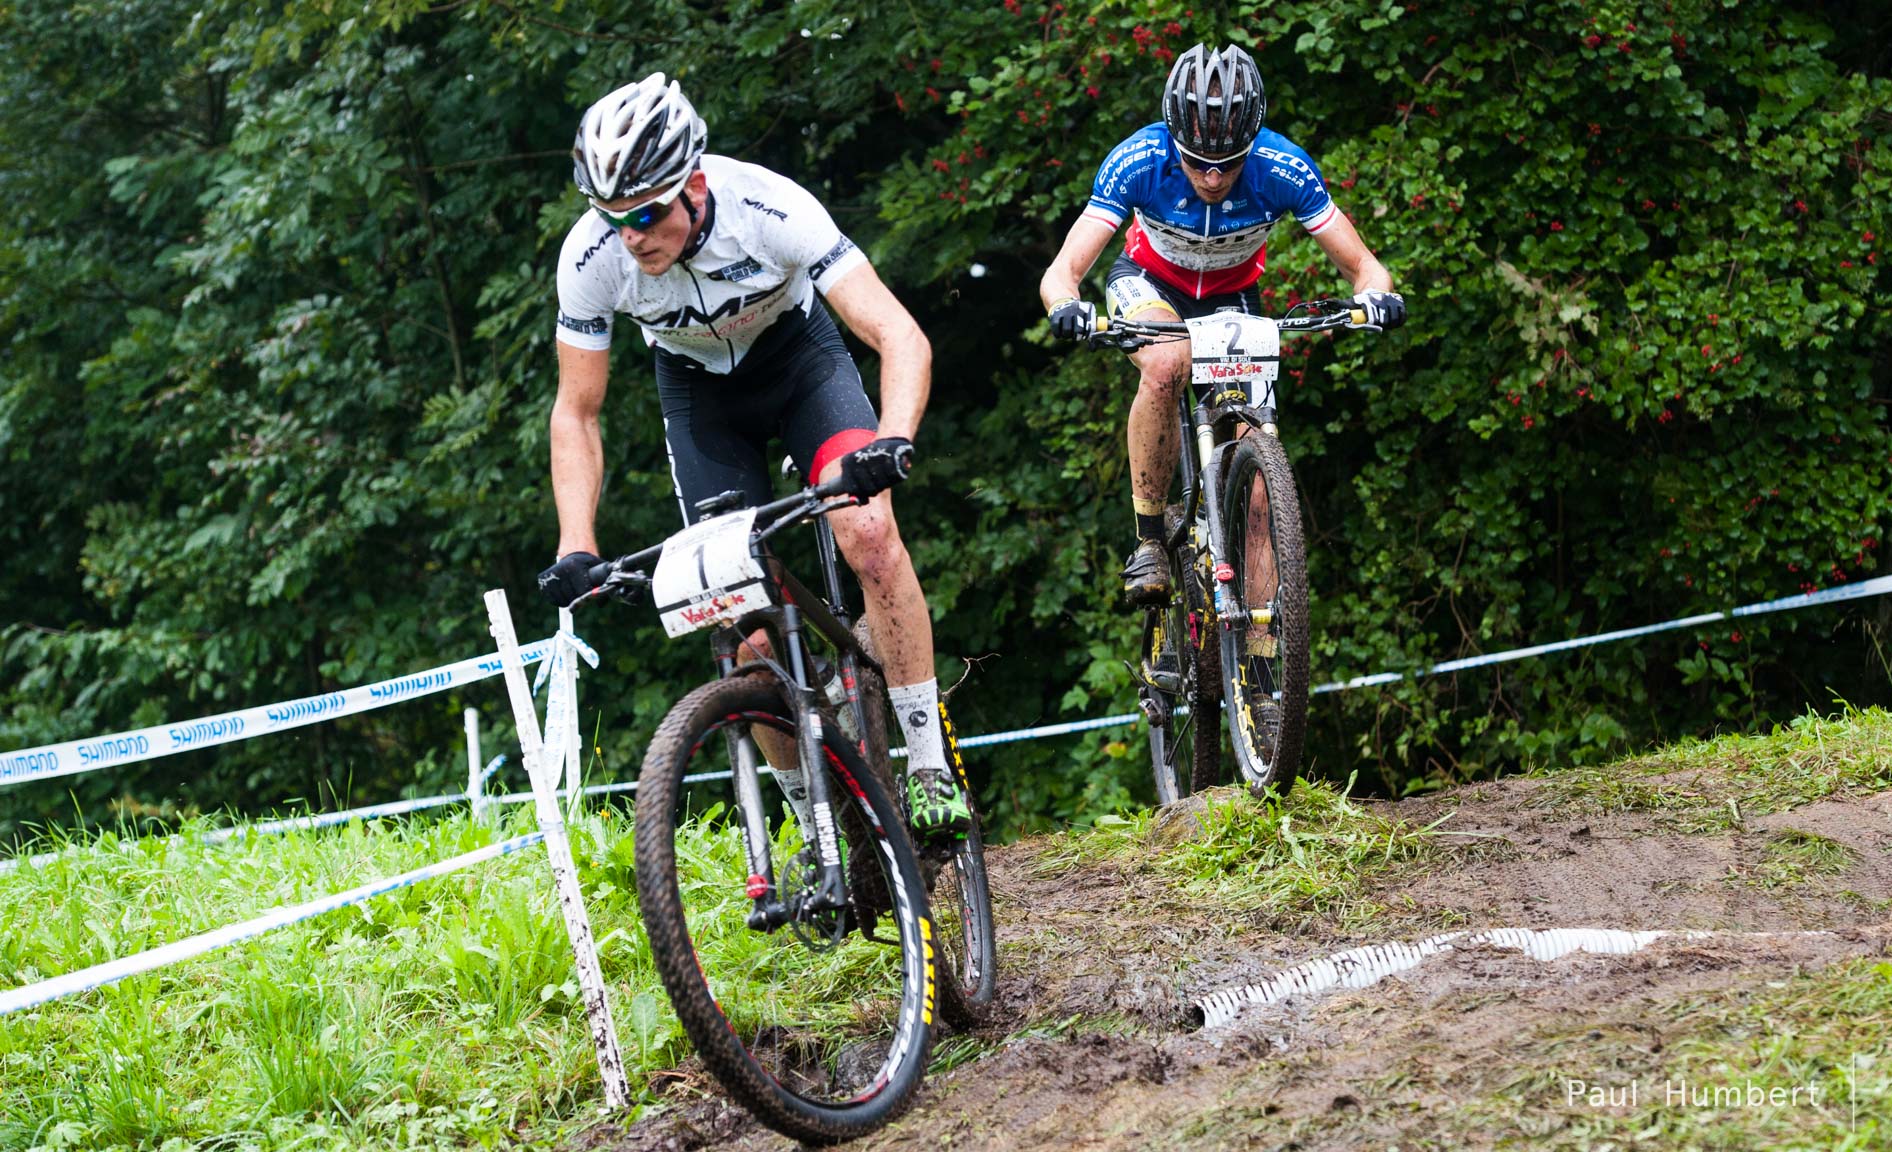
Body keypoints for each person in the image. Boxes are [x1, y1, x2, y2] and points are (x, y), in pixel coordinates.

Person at [537, 73, 968, 840]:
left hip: (801, 364)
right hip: (702, 396)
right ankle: (815, 825)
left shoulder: (770, 207)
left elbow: (899, 335)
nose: (632, 236)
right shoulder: (591, 257)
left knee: (868, 533)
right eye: (613, 218)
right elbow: (577, 411)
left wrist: (893, 440)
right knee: (735, 610)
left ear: (693, 184)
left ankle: (930, 763)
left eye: (646, 213)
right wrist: (577, 543)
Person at [1037, 44, 1405, 610]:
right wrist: (1065, 303)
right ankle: (1150, 539)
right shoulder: (1138, 159)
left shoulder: (1283, 167)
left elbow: (1364, 265)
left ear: (1251, 144)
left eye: (1229, 163)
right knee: (1166, 363)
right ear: (1172, 141)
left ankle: (1259, 672)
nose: (1212, 177)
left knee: (1259, 498)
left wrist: (1376, 297)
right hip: (1150, 284)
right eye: (1195, 162)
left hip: (1233, 297)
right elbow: (1063, 270)